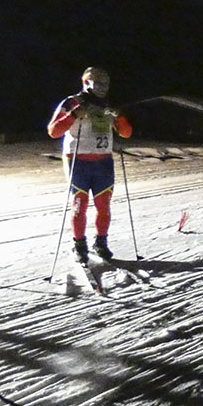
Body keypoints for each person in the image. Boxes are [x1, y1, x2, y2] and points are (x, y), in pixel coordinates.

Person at [47, 67, 133, 263]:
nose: (103, 88)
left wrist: (118, 118)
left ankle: (101, 243)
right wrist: (74, 115)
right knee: (79, 205)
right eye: (99, 83)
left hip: (103, 161)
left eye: (106, 84)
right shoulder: (72, 102)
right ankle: (79, 244)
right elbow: (53, 131)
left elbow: (126, 133)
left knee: (104, 206)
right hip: (78, 161)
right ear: (87, 82)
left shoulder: (108, 105)